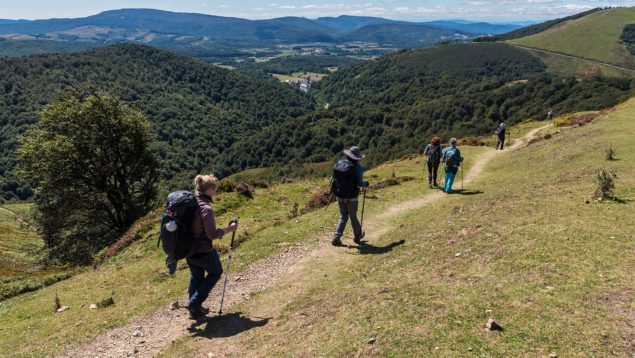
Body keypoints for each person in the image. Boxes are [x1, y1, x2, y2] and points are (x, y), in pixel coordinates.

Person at [186, 174, 238, 317]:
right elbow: (212, 234)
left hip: (187, 250)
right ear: (209, 190)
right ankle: (194, 303)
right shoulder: (206, 209)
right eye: (215, 189)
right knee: (215, 272)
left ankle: (194, 310)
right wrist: (230, 229)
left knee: (196, 276)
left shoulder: (189, 204)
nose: (216, 192)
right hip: (203, 250)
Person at [331, 146, 369, 246]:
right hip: (351, 198)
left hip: (339, 196)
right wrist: (366, 183)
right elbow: (360, 184)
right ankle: (357, 236)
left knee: (343, 216)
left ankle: (336, 237)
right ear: (357, 158)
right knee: (353, 217)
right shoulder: (357, 168)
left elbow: (334, 178)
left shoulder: (340, 163)